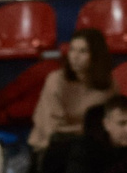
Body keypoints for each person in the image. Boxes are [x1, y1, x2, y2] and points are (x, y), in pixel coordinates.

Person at [28, 27, 115, 165]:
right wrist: (88, 132)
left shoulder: (109, 84)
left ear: (96, 55)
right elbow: (52, 130)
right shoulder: (56, 80)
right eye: (72, 50)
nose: (75, 56)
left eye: (83, 51)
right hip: (51, 149)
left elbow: (111, 124)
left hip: (90, 149)